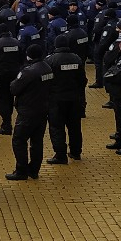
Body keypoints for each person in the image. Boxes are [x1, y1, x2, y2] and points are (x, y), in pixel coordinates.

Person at [7, 45, 53, 181]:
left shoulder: (28, 71)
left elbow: (14, 88)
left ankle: (21, 171)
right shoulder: (47, 68)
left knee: (19, 140)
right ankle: (34, 170)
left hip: (27, 111)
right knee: (37, 142)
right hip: (42, 109)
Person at [45, 34, 86, 163]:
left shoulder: (50, 60)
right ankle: (76, 152)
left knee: (57, 127)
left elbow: (47, 82)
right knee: (75, 126)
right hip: (74, 99)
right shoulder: (77, 58)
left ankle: (60, 155)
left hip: (57, 99)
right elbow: (83, 79)